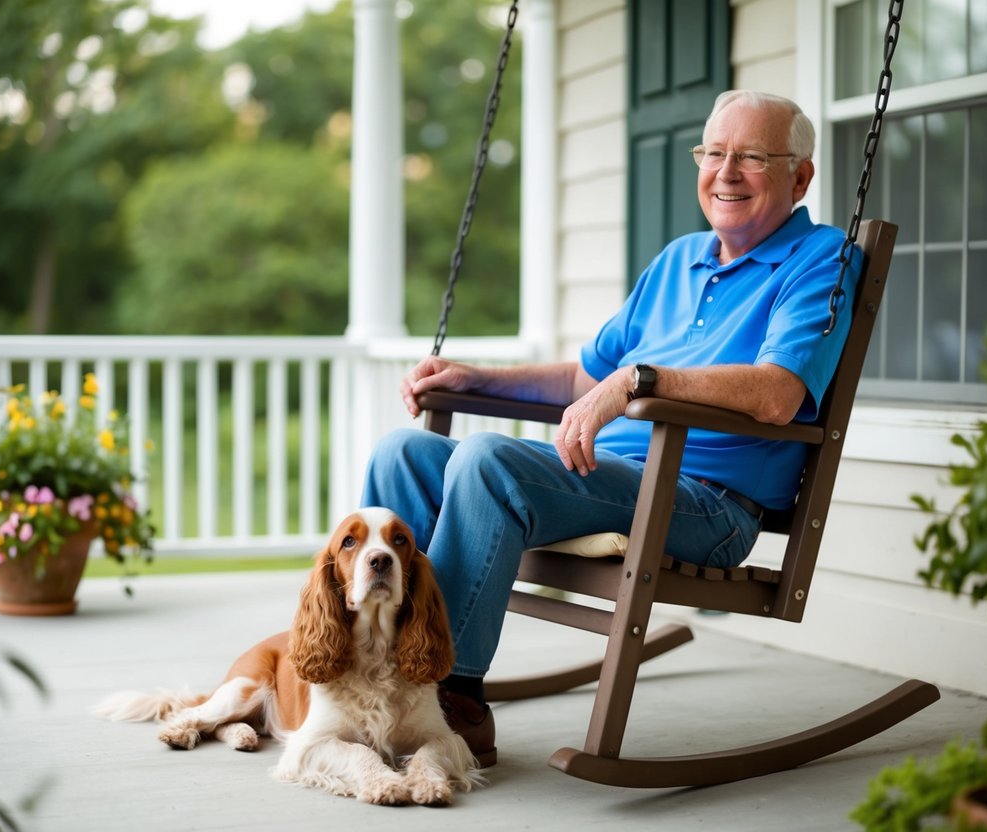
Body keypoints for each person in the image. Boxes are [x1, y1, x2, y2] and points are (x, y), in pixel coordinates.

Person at [360, 90, 862, 767]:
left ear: (798, 176)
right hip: (607, 477)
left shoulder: (821, 258)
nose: (725, 172)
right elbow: (583, 378)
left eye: (751, 157)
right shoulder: (677, 260)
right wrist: (475, 376)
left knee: (485, 462)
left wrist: (638, 381)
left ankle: (455, 698)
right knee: (403, 454)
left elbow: (777, 394)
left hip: (703, 501)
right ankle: (379, 663)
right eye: (713, 154)